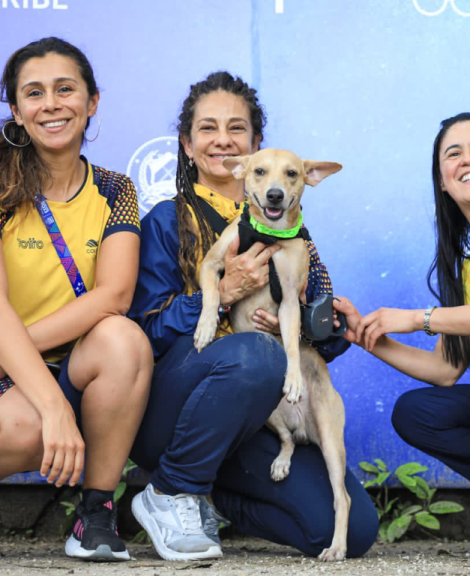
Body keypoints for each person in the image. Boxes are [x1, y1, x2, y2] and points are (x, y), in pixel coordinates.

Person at [127, 71, 378, 561]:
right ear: (186, 143)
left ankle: (214, 498)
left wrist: (319, 319)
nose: (223, 139)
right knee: (254, 357)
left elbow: (322, 340)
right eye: (208, 128)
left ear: (257, 145)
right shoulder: (164, 221)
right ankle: (171, 488)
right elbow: (146, 333)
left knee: (354, 531)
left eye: (237, 128)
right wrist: (219, 295)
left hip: (261, 417)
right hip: (180, 407)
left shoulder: (291, 230)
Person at [0, 37, 152, 561]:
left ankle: (95, 515)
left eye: (65, 89)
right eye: (35, 93)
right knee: (27, 426)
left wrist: (26, 362)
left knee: (124, 338)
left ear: (92, 102)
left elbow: (113, 295)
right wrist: (51, 407)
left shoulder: (115, 189)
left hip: (55, 364)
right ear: (17, 111)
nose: (52, 104)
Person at [332, 112, 470, 511]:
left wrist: (419, 318)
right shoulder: (467, 262)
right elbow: (445, 370)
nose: (468, 159)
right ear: (442, 181)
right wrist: (366, 337)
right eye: (454, 154)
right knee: (417, 412)